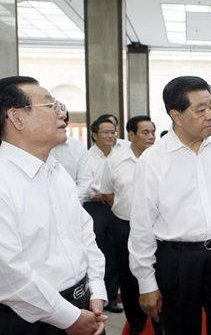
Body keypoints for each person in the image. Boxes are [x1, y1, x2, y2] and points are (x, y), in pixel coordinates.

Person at [128, 76, 211, 335]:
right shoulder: (153, 160)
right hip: (178, 263)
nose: (210, 115)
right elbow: (142, 226)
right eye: (200, 109)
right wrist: (146, 282)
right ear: (176, 115)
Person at [0, 76, 107, 334]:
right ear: (16, 118)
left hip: (84, 306)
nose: (62, 114)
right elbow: (9, 272)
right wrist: (68, 317)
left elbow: (85, 236)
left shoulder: (56, 171)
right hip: (32, 320)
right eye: (50, 106)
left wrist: (97, 290)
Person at [101, 115, 159, 334]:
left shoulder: (161, 158)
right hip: (124, 226)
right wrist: (125, 210)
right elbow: (107, 192)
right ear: (131, 135)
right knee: (127, 274)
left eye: (153, 131)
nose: (151, 136)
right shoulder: (115, 160)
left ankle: (160, 319)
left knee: (158, 271)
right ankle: (136, 321)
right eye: (145, 132)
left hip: (156, 227)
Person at [85, 117, 122, 313]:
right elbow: (83, 185)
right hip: (95, 207)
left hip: (116, 205)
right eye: (106, 132)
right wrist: (95, 194)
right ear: (94, 135)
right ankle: (95, 296)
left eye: (113, 132)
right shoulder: (86, 157)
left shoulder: (121, 154)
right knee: (99, 251)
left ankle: (112, 297)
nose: (110, 136)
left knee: (116, 251)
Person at [50, 111, 93, 204]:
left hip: (73, 203)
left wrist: (71, 204)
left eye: (62, 120)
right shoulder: (36, 145)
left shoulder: (78, 147)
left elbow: (85, 182)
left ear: (66, 124)